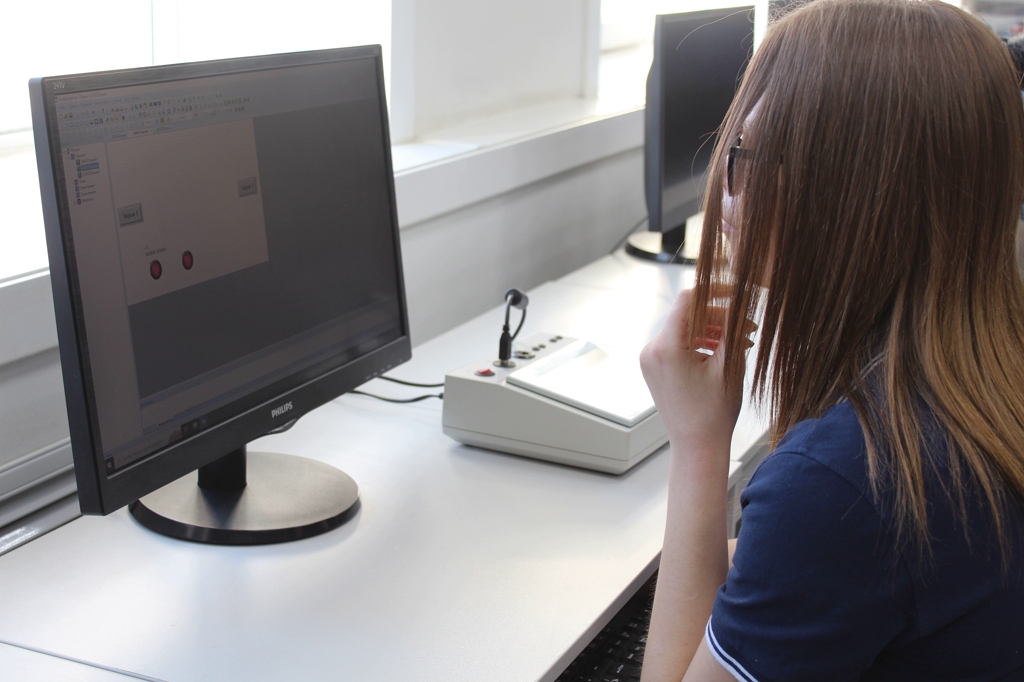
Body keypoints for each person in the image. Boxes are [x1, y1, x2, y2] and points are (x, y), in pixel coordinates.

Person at [637, 1, 1024, 680]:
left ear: (848, 188)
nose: (723, 192)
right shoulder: (983, 376)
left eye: (743, 154)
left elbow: (823, 537)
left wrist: (697, 444)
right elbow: (812, 569)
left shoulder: (847, 481)